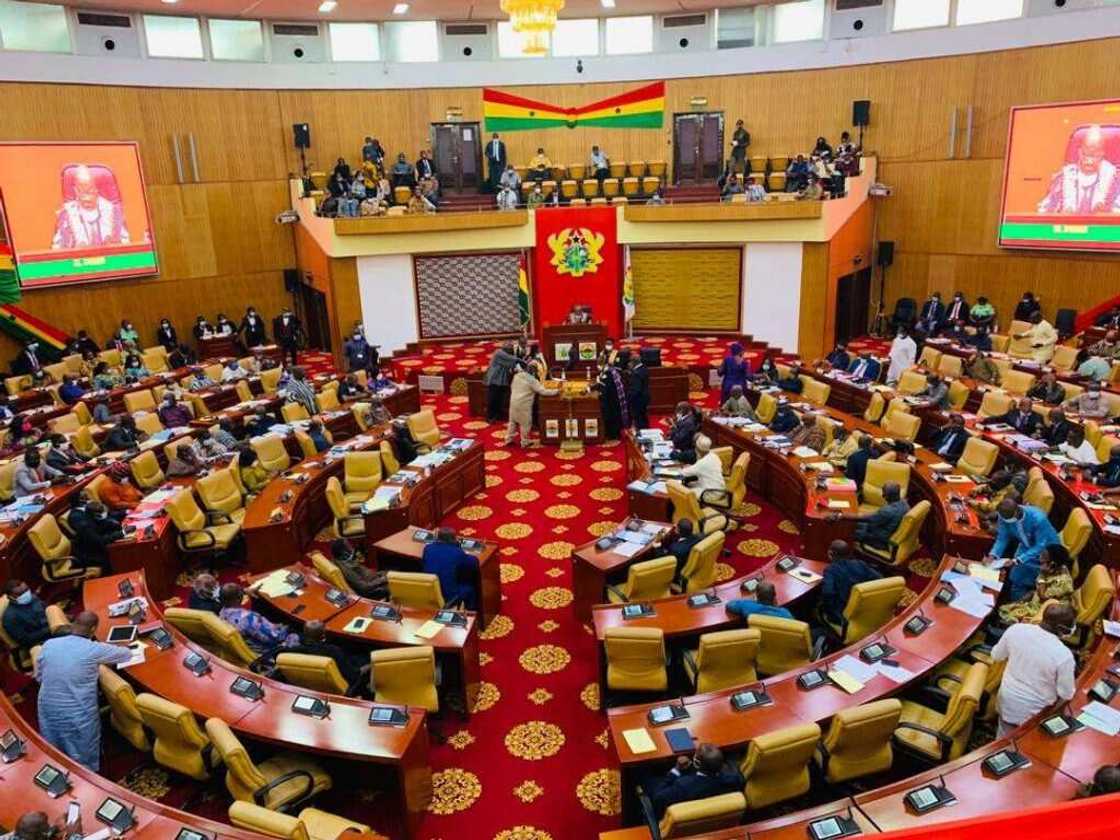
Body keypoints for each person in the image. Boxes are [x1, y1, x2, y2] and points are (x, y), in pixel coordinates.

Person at [35, 611, 132, 770]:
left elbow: (39, 676)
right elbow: (126, 654)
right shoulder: (93, 649)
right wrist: (121, 645)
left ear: (72, 624)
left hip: (47, 707)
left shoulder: (48, 645)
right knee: (84, 754)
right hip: (77, 714)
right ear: (93, 629)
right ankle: (88, 777)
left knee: (56, 749)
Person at [990, 603, 1076, 737]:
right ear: (1061, 628)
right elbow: (1066, 694)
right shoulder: (1064, 656)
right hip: (1034, 713)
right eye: (1071, 625)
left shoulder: (1016, 629)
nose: (1073, 629)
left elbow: (996, 655)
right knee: (1020, 744)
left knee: (1002, 740)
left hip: (1006, 699)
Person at [986, 498, 1061, 600]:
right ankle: (1010, 598)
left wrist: (1018, 560)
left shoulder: (1038, 519)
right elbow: (1002, 537)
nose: (1005, 521)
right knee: (1013, 575)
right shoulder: (1003, 515)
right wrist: (993, 555)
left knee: (1018, 575)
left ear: (1017, 511)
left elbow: (1040, 545)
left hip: (1047, 552)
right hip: (1026, 546)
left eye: (1008, 519)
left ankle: (1017, 604)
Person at [643, 743, 744, 819]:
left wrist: (676, 771)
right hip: (713, 818)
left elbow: (657, 799)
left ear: (697, 763)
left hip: (676, 814)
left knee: (646, 777)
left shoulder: (683, 785)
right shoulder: (733, 779)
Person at [1037, 125, 1117, 214]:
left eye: (1094, 156)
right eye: (1085, 154)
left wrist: (1107, 212)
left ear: (1102, 154)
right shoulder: (1062, 178)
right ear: (1079, 152)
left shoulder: (1115, 180)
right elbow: (1045, 210)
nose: (1089, 160)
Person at [51, 165, 129, 250]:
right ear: (75, 191)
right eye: (82, 191)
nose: (86, 198)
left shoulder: (113, 212)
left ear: (97, 190)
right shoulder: (66, 215)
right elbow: (56, 248)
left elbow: (126, 244)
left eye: (90, 191)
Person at [998, 544, 1074, 625]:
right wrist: (1020, 601)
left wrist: (1042, 574)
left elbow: (1043, 596)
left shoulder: (1063, 581)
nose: (1040, 557)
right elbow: (1036, 592)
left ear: (1052, 564)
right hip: (1034, 604)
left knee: (1009, 615)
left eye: (1044, 556)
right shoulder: (1055, 568)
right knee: (1005, 608)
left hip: (1044, 613)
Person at [819, 541, 881, 626]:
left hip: (843, 616)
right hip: (863, 608)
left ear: (830, 553)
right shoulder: (860, 564)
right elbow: (879, 578)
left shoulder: (830, 570)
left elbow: (828, 592)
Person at [421, 528, 479, 610]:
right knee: (470, 587)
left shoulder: (428, 548)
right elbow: (474, 563)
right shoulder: (457, 553)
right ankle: (472, 615)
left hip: (431, 592)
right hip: (449, 596)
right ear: (454, 540)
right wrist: (461, 550)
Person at [854, 482, 908, 549]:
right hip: (889, 532)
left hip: (879, 539)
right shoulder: (905, 504)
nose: (882, 495)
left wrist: (843, 515)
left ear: (887, 496)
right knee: (856, 523)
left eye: (884, 494)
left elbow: (871, 522)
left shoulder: (887, 511)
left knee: (849, 531)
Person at [70, 502, 123, 570]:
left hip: (98, 549)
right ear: (96, 515)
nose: (104, 515)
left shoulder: (93, 519)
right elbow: (100, 541)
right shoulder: (85, 527)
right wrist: (122, 533)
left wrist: (119, 526)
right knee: (119, 555)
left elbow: (106, 524)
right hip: (90, 556)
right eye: (102, 513)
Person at [2, 579, 51, 648]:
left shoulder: (33, 598)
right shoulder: (10, 617)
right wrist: (50, 629)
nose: (26, 594)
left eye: (26, 590)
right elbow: (26, 640)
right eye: (20, 593)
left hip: (53, 629)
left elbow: (47, 609)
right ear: (11, 596)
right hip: (40, 643)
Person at [483, 343, 518, 424]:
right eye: (510, 350)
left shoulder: (505, 354)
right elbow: (513, 360)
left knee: (500, 398)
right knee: (493, 399)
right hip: (494, 380)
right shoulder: (499, 353)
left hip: (501, 381)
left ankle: (497, 415)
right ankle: (490, 416)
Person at [595, 361, 630, 442]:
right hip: (616, 398)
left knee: (611, 417)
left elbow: (604, 388)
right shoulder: (613, 370)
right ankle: (615, 433)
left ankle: (612, 435)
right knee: (615, 416)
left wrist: (599, 393)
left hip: (611, 400)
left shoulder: (607, 374)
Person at [725, 580, 793, 622]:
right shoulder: (786, 614)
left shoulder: (749, 607)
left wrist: (750, 599)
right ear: (774, 596)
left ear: (757, 596)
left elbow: (729, 604)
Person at [681, 435, 725, 499]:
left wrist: (686, 468)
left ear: (697, 449)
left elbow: (683, 473)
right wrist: (692, 467)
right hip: (719, 488)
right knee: (689, 484)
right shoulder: (714, 456)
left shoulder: (702, 463)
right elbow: (701, 468)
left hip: (710, 493)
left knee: (683, 493)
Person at [627, 354, 651, 431]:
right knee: (643, 416)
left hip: (638, 400)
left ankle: (642, 433)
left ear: (633, 362)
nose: (628, 364)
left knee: (639, 418)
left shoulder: (636, 374)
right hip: (645, 397)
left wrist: (628, 398)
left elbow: (636, 390)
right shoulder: (644, 368)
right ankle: (646, 430)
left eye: (630, 362)